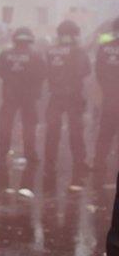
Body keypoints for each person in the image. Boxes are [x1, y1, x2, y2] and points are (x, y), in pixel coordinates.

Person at [43, 20, 91, 189]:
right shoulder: (78, 51)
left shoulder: (50, 51)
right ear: (74, 34)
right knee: (76, 131)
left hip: (55, 95)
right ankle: (79, 162)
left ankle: (49, 163)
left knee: (52, 131)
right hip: (73, 96)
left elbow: (46, 71)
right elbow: (85, 71)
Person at [0, 27, 46, 190]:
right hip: (28, 96)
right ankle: (30, 152)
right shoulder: (36, 55)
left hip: (9, 95)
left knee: (6, 124)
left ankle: (3, 152)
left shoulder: (5, 54)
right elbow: (42, 74)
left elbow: (0, 72)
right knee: (29, 125)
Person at [93, 17, 119, 180]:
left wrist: (107, 89)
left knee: (105, 132)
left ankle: (99, 162)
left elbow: (99, 71)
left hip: (110, 97)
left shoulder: (104, 48)